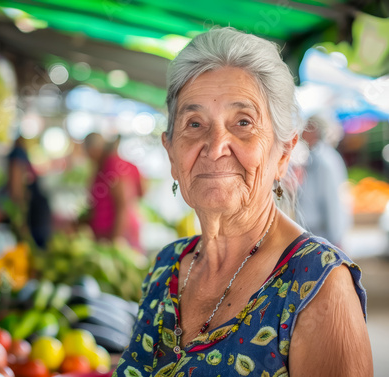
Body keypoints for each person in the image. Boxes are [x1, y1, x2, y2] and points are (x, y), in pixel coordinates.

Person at [114, 28, 372, 377]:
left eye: (243, 122)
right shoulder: (166, 268)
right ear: (171, 153)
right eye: (194, 123)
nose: (216, 145)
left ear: (283, 153)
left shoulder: (318, 285)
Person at [297, 115, 352, 247]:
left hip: (323, 235)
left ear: (314, 130)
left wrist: (336, 238)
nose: (301, 132)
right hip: (316, 234)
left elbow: (333, 200)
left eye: (306, 127)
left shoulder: (324, 160)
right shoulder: (315, 156)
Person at [84, 133, 144, 252]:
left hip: (119, 234)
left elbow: (123, 205)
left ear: (94, 149)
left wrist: (115, 242)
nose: (88, 157)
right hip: (107, 234)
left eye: (88, 152)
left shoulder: (112, 164)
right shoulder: (102, 165)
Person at [7, 137, 52, 248]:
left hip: (34, 210)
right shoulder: (23, 155)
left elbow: (16, 186)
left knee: (33, 242)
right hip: (39, 207)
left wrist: (20, 215)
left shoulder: (17, 154)